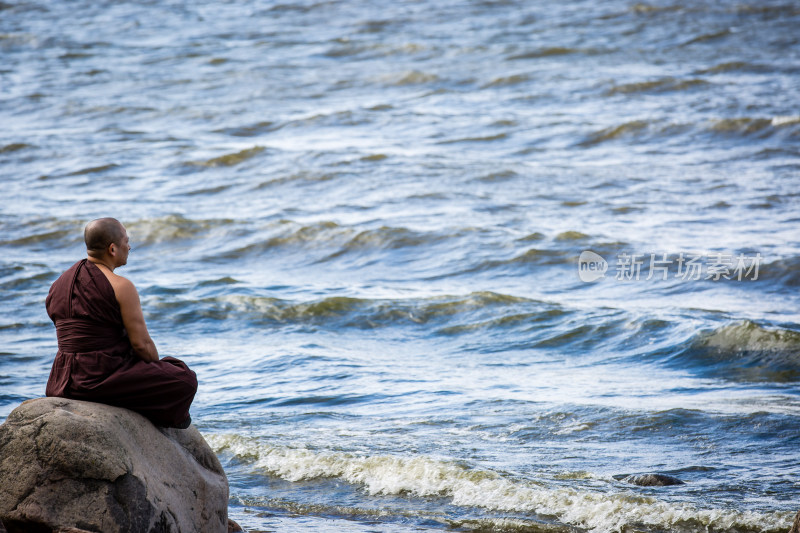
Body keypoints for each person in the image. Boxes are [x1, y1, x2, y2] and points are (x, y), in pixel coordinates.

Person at [45, 217, 197, 428]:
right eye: (126, 240)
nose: (130, 246)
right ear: (113, 249)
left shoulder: (58, 283)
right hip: (99, 378)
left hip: (61, 381)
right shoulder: (121, 286)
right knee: (183, 378)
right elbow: (142, 346)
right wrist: (157, 367)